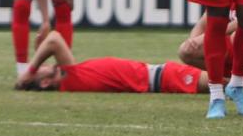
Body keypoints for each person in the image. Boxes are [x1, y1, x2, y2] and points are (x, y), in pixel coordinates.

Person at [15, 31, 206, 93]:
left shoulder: (73, 73)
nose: (44, 65)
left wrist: (33, 72)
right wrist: (30, 70)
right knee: (224, 84)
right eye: (42, 69)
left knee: (225, 80)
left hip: (163, 74)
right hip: (165, 78)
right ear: (46, 82)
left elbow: (54, 41)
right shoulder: (70, 80)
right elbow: (53, 39)